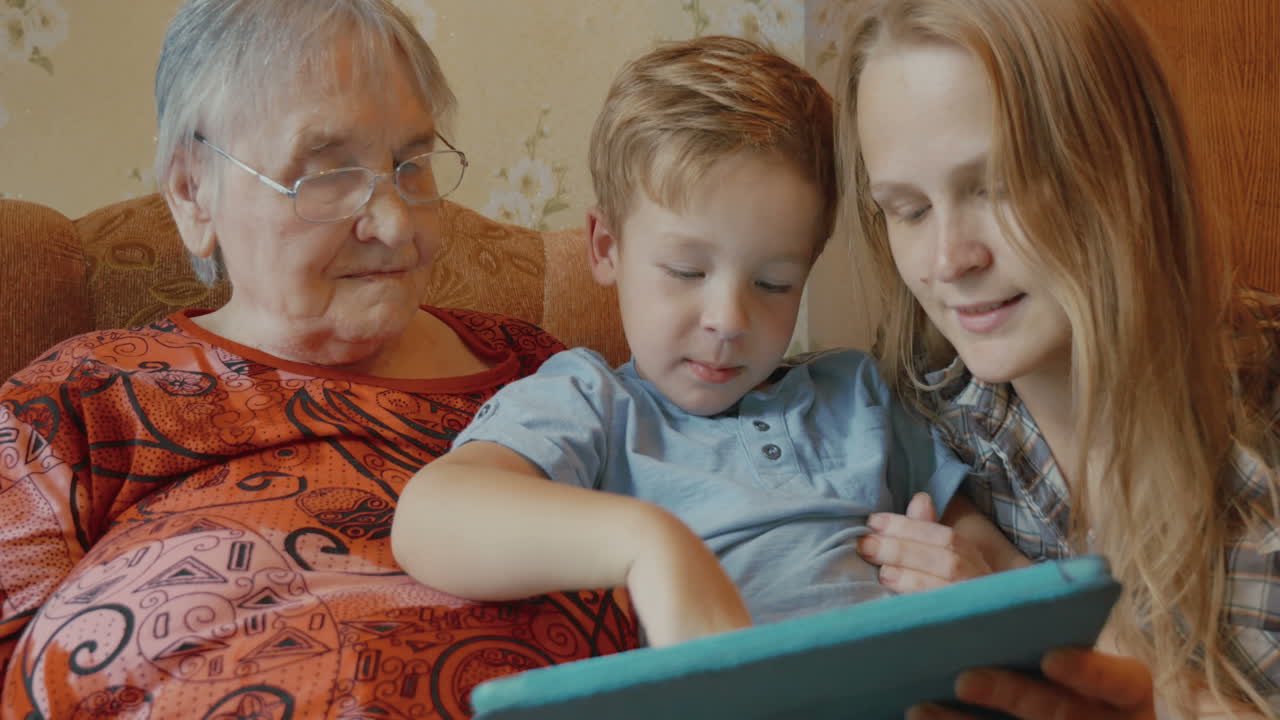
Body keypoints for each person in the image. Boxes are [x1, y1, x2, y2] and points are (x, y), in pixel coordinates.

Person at [0, 1, 635, 717]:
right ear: (192, 192)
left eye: (412, 164)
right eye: (327, 173)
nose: (396, 225)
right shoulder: (80, 398)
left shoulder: (545, 377)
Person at [390, 35, 970, 647]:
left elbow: (978, 541)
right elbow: (432, 516)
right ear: (606, 248)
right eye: (688, 272)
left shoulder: (860, 393)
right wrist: (651, 543)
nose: (728, 319)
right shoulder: (592, 402)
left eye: (774, 282)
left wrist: (972, 574)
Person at [835, 0, 1280, 718]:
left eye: (999, 185)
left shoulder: (1259, 424)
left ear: (1122, 167)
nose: (949, 260)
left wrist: (1016, 600)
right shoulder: (913, 425)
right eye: (909, 210)